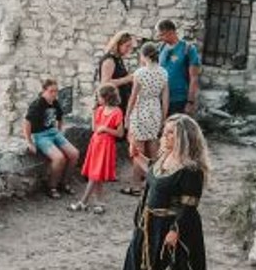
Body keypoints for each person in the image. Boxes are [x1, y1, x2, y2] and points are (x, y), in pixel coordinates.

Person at [111, 116, 210, 270]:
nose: (164, 136)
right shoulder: (163, 158)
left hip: (169, 225)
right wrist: (137, 156)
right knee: (137, 260)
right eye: (164, 131)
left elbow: (188, 206)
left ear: (184, 137)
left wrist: (175, 231)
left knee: (166, 267)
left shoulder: (191, 170)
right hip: (147, 223)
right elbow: (153, 175)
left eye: (170, 133)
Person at [122, 43, 168, 194]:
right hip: (155, 110)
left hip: (141, 110)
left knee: (138, 150)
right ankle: (155, 184)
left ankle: (136, 185)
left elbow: (133, 97)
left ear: (144, 56)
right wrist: (164, 117)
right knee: (154, 150)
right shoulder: (163, 72)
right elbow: (166, 98)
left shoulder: (140, 73)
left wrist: (127, 116)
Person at [71, 85, 124, 213]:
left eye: (99, 96)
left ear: (106, 98)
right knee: (96, 175)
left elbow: (120, 134)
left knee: (95, 175)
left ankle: (83, 202)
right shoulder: (100, 109)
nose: (97, 99)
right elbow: (94, 128)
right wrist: (93, 113)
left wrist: (106, 129)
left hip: (106, 145)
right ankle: (99, 202)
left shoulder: (117, 112)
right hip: (95, 143)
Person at [23, 80, 79, 199]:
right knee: (59, 158)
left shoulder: (55, 102)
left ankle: (65, 183)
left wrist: (59, 130)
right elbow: (27, 122)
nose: (54, 94)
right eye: (51, 91)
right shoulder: (37, 104)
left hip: (53, 132)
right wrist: (29, 141)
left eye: (56, 91)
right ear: (44, 91)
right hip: (40, 135)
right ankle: (52, 187)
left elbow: (60, 117)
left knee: (74, 154)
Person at [156, 21, 200, 118]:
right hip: (162, 98)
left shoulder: (188, 49)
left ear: (171, 32)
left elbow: (194, 78)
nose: (159, 38)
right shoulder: (161, 47)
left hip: (179, 99)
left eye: (161, 35)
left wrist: (190, 102)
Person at [94, 30, 135, 124]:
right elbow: (105, 83)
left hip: (119, 100)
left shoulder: (118, 59)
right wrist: (127, 79)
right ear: (118, 45)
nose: (129, 49)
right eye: (127, 46)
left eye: (130, 46)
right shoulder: (109, 60)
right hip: (111, 103)